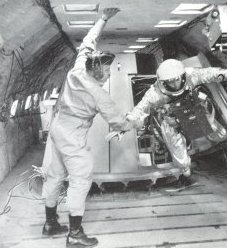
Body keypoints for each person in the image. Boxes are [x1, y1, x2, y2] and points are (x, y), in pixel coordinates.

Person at [41, 8, 132, 248]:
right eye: (106, 69)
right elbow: (119, 122)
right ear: (97, 69)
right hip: (72, 133)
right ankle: (75, 234)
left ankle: (50, 223)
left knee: (55, 175)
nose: (108, 72)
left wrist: (102, 19)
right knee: (80, 180)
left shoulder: (79, 68)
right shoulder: (99, 94)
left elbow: (88, 43)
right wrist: (134, 121)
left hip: (58, 126)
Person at [126, 58, 227, 180]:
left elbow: (210, 74)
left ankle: (216, 136)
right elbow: (140, 109)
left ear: (182, 75)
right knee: (174, 143)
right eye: (170, 82)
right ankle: (184, 166)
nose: (175, 84)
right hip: (172, 118)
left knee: (218, 132)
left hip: (194, 108)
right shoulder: (155, 93)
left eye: (176, 79)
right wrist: (126, 124)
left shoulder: (191, 75)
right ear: (163, 82)